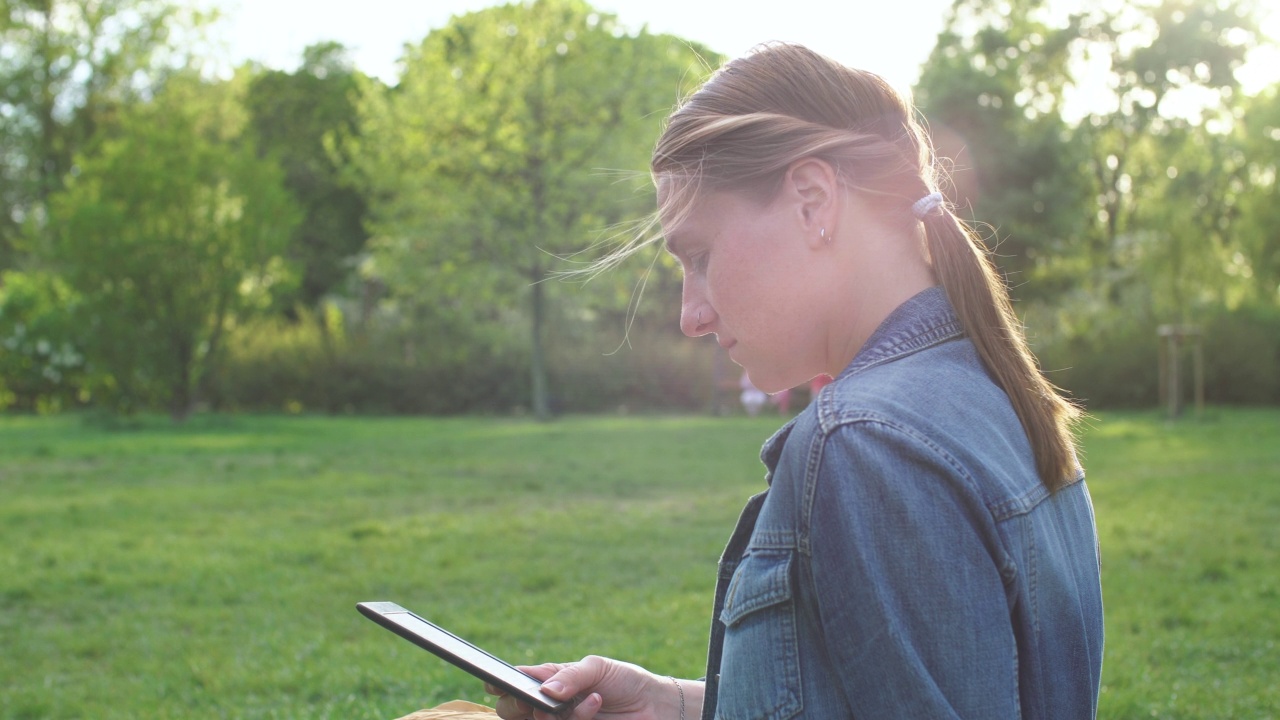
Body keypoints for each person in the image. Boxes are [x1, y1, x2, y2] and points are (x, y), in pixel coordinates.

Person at [488, 43, 1103, 720]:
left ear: (813, 201)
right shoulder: (986, 393)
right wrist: (676, 705)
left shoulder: (866, 443)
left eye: (699, 256)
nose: (691, 316)